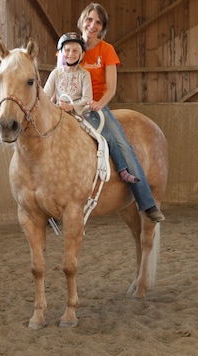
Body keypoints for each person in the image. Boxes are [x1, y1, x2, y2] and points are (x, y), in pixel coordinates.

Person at [77, 2, 165, 222]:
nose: (92, 25)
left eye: (98, 22)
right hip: (72, 106)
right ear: (82, 21)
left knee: (121, 144)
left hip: (96, 107)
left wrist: (99, 104)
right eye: (89, 20)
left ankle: (146, 202)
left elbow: (111, 88)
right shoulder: (70, 47)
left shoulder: (106, 50)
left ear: (103, 27)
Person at [44, 32, 141, 184]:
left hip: (81, 114)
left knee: (107, 136)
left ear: (82, 54)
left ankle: (122, 169)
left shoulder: (84, 75)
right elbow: (45, 95)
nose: (70, 54)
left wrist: (71, 106)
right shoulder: (55, 74)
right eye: (67, 50)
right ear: (61, 53)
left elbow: (87, 99)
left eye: (75, 50)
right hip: (60, 114)